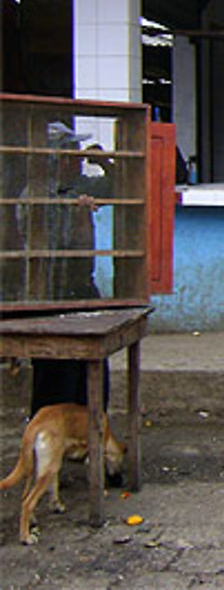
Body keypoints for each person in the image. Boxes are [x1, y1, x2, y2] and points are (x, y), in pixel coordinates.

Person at [18, 121, 115, 418]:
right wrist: (78, 215)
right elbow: (58, 248)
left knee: (91, 369)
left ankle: (87, 435)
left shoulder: (77, 186)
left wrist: (104, 162)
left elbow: (123, 186)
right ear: (54, 159)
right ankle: (49, 436)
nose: (77, 157)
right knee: (55, 374)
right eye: (70, 152)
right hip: (49, 292)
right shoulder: (36, 195)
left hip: (81, 289)